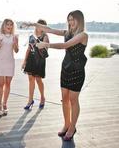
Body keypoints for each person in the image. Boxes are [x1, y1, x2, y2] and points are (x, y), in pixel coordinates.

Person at [23, 10, 88, 141]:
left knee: (73, 100)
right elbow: (49, 29)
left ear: (79, 20)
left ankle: (72, 127)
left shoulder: (83, 35)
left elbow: (65, 45)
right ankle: (66, 124)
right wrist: (32, 24)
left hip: (77, 70)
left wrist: (46, 45)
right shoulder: (67, 33)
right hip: (65, 68)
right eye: (69, 19)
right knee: (64, 98)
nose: (70, 22)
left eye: (73, 19)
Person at [22, 19, 49, 110]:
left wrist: (37, 42)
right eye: (39, 25)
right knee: (30, 79)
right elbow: (29, 49)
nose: (40, 27)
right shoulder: (31, 36)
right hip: (31, 59)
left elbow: (45, 49)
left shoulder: (45, 36)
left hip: (39, 60)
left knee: (38, 79)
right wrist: (24, 61)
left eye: (42, 26)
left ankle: (42, 97)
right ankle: (30, 100)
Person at [0, 19, 19, 116]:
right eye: (7, 24)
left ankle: (5, 103)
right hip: (0, 61)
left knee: (8, 83)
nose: (9, 26)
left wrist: (15, 43)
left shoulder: (15, 36)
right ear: (3, 26)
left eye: (11, 25)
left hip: (10, 62)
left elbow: (16, 50)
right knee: (1, 83)